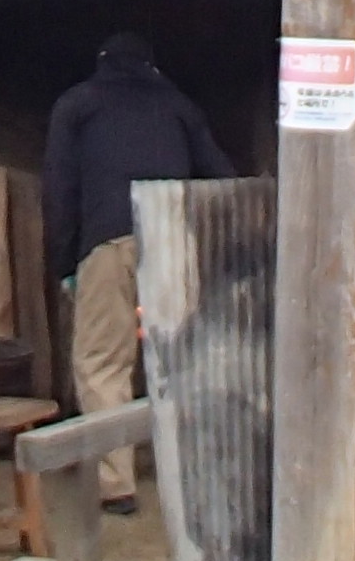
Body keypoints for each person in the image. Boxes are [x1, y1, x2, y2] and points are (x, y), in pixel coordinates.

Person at [39, 30, 233, 506]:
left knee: (103, 362)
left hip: (108, 240)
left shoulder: (76, 105)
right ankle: (196, 474)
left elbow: (59, 191)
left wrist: (66, 263)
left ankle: (116, 485)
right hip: (172, 236)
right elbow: (221, 177)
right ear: (152, 67)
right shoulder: (180, 106)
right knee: (183, 357)